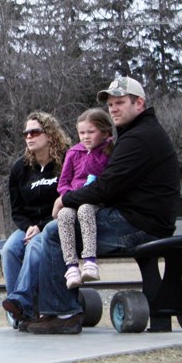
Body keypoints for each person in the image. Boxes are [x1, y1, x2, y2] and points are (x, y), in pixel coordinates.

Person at [5, 77, 180, 335]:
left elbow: (106, 187)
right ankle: (39, 304)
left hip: (138, 223)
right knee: (52, 231)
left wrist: (65, 199)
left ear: (139, 103)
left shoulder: (139, 139)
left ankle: (62, 313)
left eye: (120, 102)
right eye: (110, 104)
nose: (113, 109)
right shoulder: (140, 133)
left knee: (53, 233)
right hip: (145, 219)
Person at [1, 112, 71, 307]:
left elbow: (68, 201)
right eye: (26, 134)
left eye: (34, 132)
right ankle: (18, 314)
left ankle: (21, 303)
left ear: (49, 135)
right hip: (28, 227)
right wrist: (29, 226)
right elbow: (16, 210)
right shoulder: (20, 168)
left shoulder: (66, 161)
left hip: (56, 224)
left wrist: (41, 227)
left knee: (34, 246)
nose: (29, 137)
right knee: (10, 249)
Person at [57, 109, 114, 289]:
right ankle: (71, 266)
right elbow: (63, 181)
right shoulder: (73, 152)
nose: (86, 137)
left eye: (91, 132)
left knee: (85, 210)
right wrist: (66, 196)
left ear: (104, 132)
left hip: (95, 199)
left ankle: (90, 261)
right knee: (64, 216)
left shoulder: (109, 150)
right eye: (82, 133)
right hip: (73, 198)